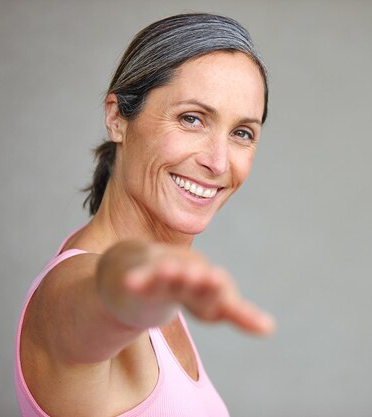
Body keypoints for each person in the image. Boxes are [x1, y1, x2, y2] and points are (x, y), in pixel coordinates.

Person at [15, 13, 275, 417]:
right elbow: (87, 306)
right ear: (117, 118)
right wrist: (131, 283)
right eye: (192, 119)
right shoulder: (69, 290)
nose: (218, 161)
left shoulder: (163, 300)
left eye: (242, 132)